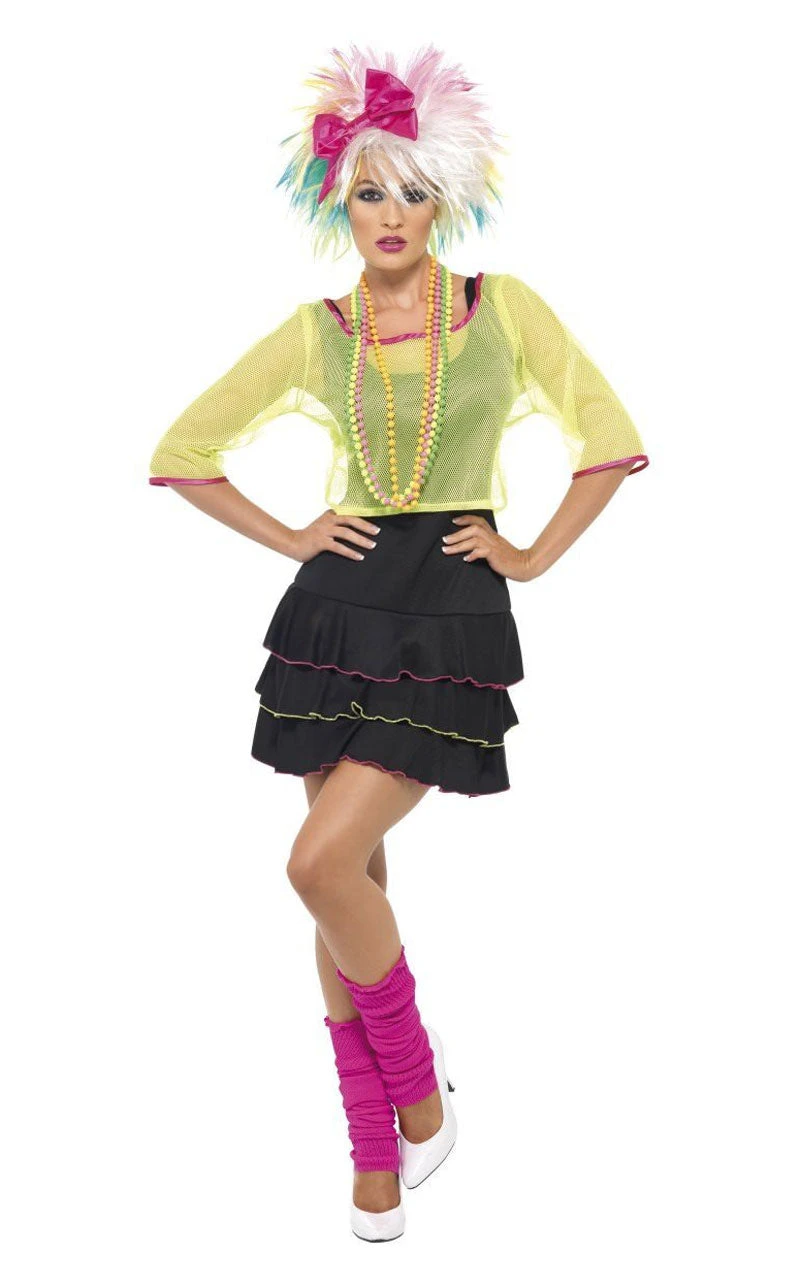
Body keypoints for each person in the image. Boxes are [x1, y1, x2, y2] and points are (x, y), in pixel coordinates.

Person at [148, 43, 649, 1242]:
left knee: (316, 864)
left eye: (411, 192)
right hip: (337, 608)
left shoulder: (501, 308)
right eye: (369, 190)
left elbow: (606, 437)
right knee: (348, 879)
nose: (389, 213)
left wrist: (528, 553)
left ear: (444, 201)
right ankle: (372, 1143)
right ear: (340, 201)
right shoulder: (317, 329)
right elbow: (181, 451)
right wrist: (293, 534)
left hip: (448, 611)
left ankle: (418, 1091)